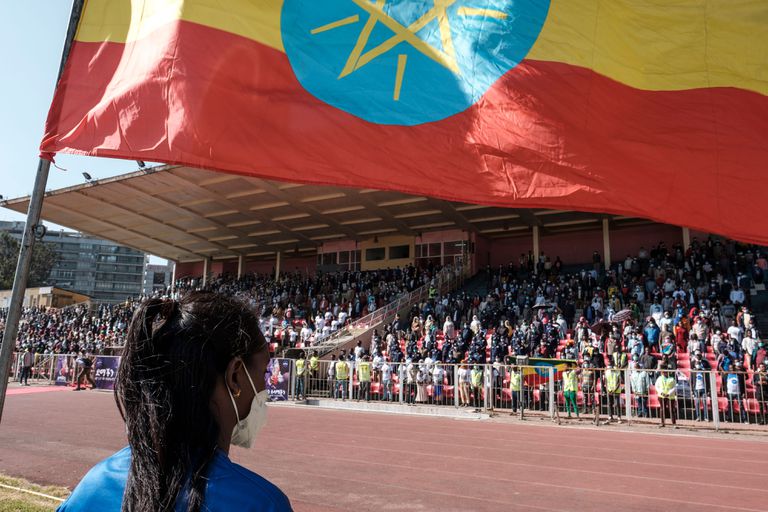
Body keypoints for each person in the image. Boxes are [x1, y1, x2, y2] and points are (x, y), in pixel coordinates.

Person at [57, 293, 292, 511]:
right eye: (263, 373)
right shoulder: (262, 503)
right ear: (235, 375)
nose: (265, 389)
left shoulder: (93, 484)